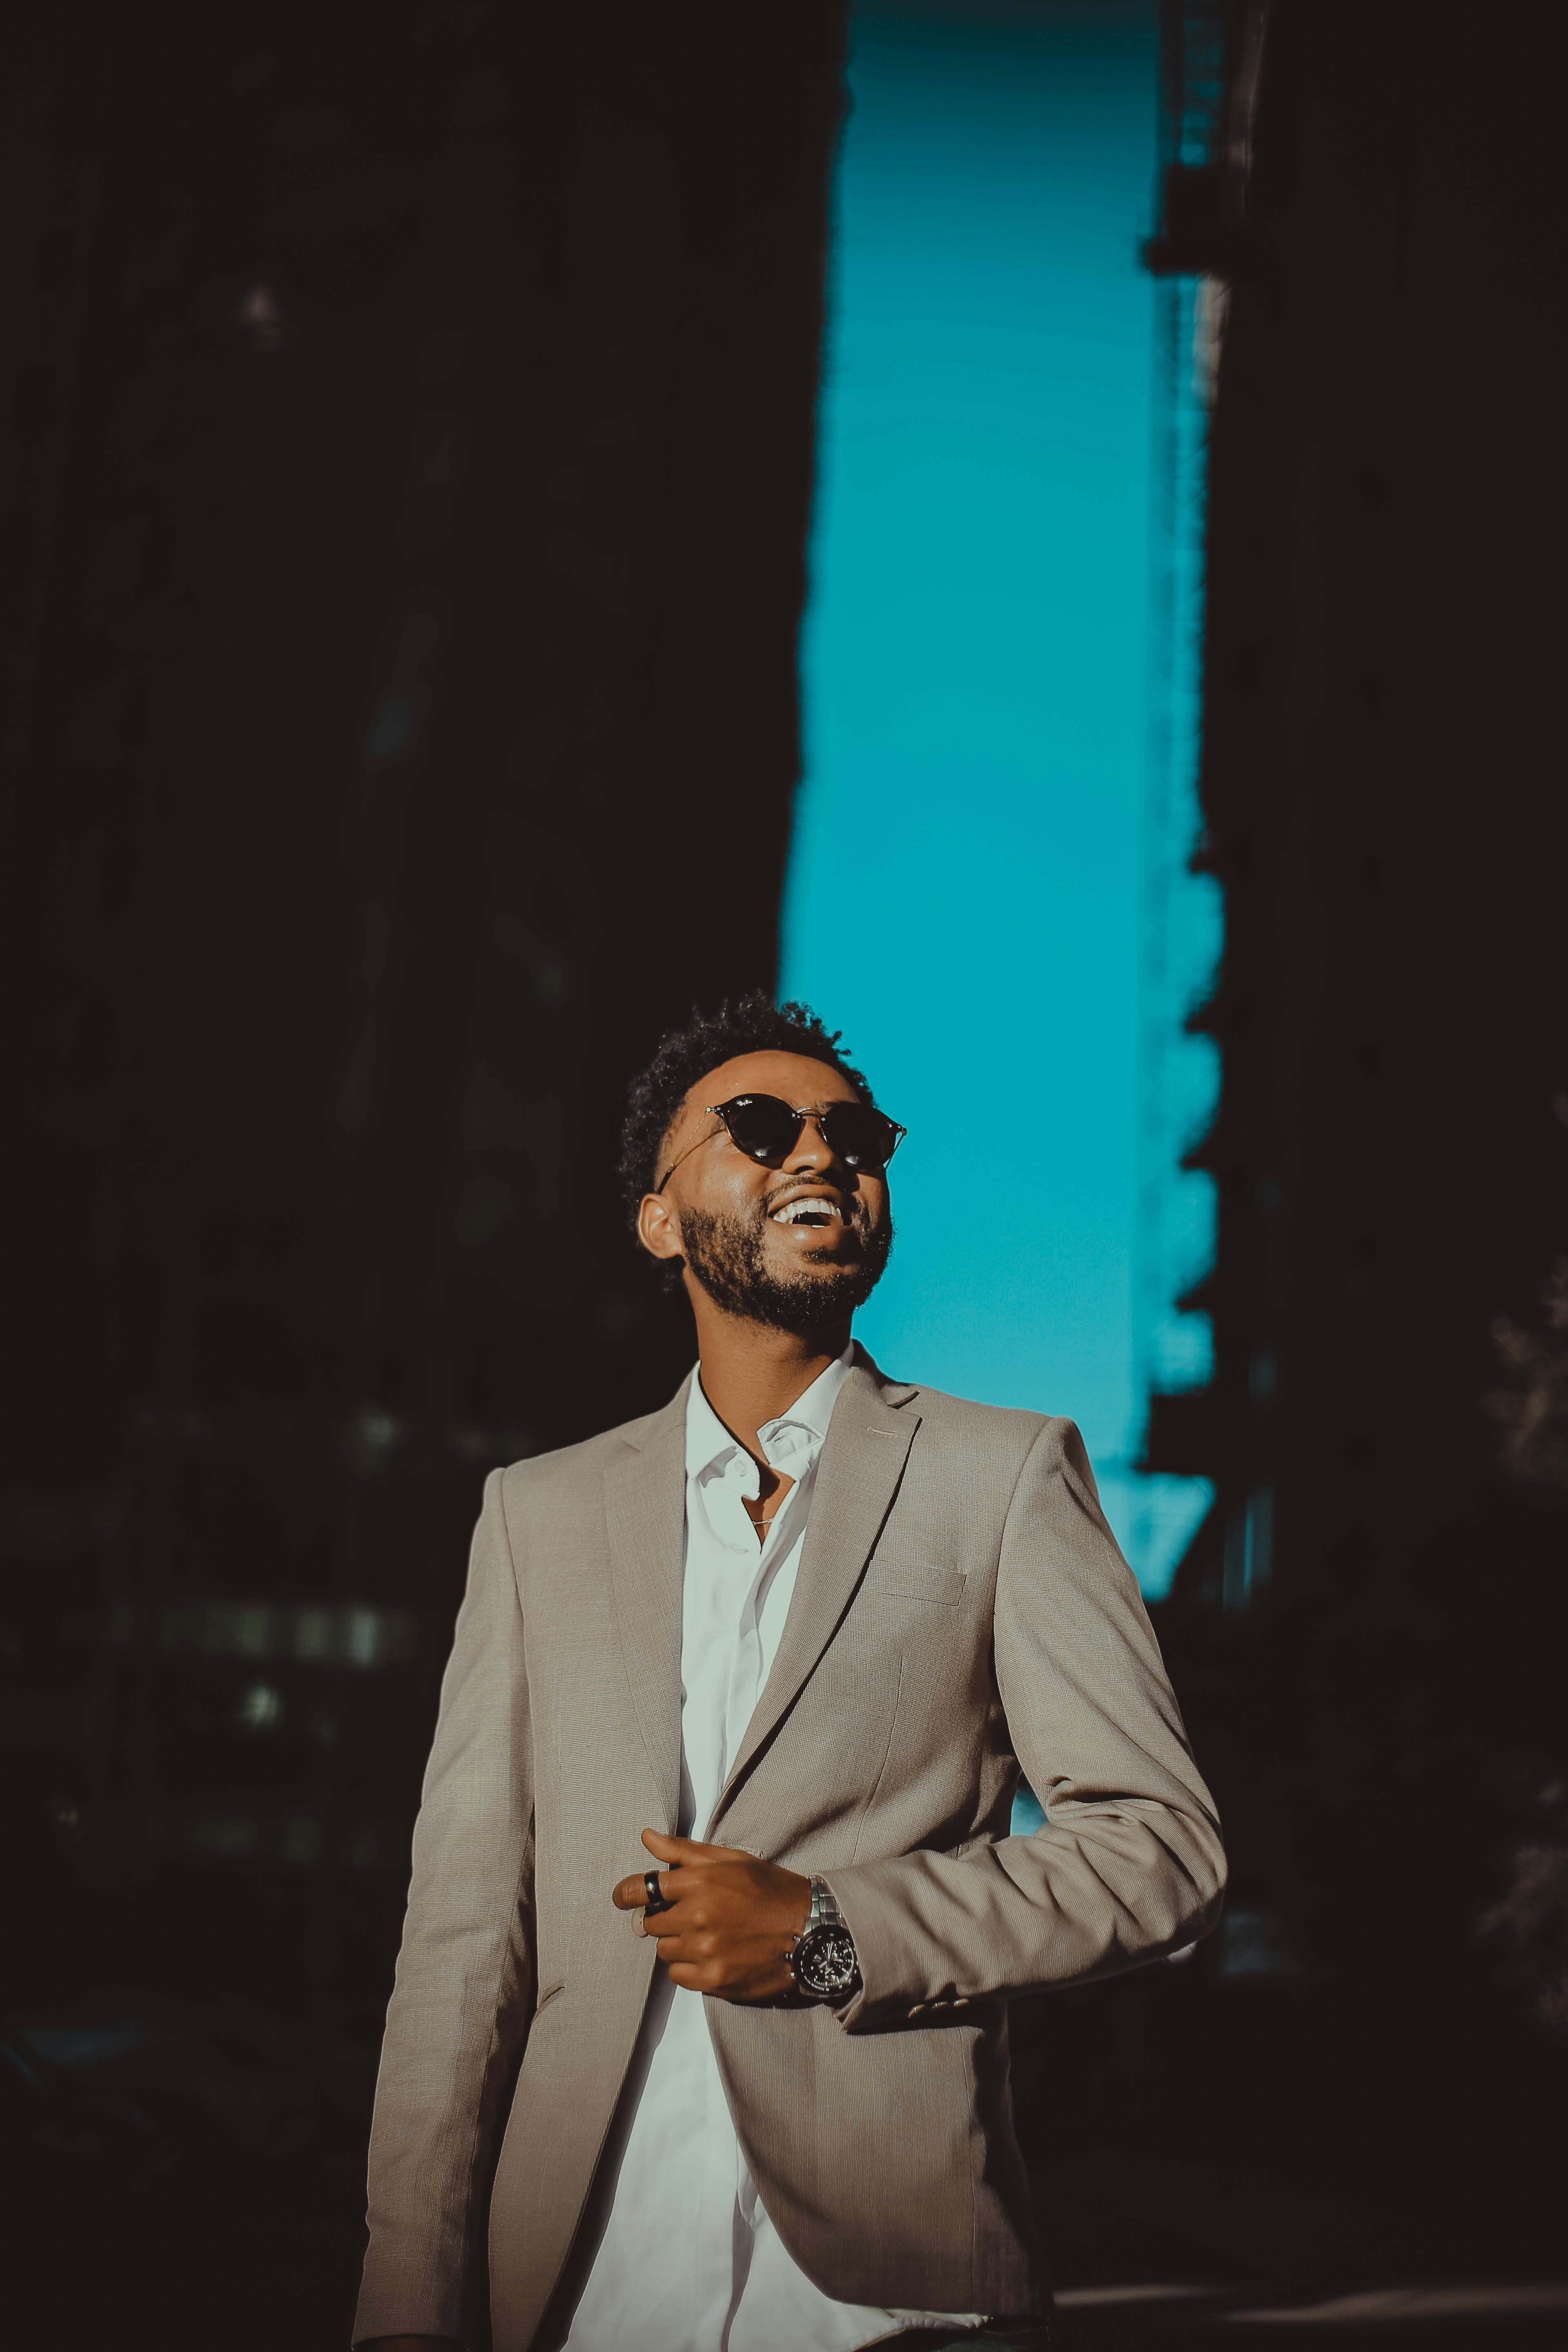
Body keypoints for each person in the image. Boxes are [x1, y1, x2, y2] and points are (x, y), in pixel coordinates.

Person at [354, 995, 1226, 2352]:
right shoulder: (538, 1514)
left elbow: (1160, 1853)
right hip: (578, 2291)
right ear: (659, 1215)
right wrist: (407, 2313)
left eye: (856, 1136)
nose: (820, 1156)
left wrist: (833, 1931)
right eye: (760, 1129)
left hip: (886, 2299)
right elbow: (463, 1950)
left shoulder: (1003, 1478)